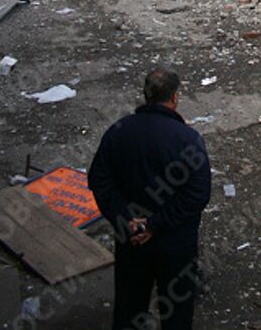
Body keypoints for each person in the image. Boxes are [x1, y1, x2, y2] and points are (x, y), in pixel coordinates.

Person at [88, 68, 211, 330]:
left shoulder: (118, 132)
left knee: (130, 308)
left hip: (131, 240)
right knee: (177, 312)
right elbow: (198, 193)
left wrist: (126, 220)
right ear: (175, 98)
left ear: (145, 95)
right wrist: (155, 225)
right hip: (175, 243)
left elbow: (99, 180)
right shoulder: (188, 139)